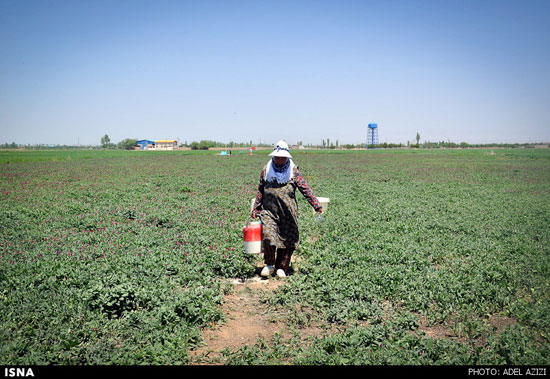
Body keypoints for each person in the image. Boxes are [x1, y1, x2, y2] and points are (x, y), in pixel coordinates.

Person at [251, 140, 323, 278]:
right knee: (269, 236)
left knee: (287, 241)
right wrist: (256, 208)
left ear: (287, 157)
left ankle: (282, 268)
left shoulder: (294, 172)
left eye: (283, 158)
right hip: (269, 212)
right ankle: (269, 265)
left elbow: (305, 189)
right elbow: (260, 190)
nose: (280, 160)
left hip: (288, 213)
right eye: (277, 157)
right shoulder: (266, 170)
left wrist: (316, 205)